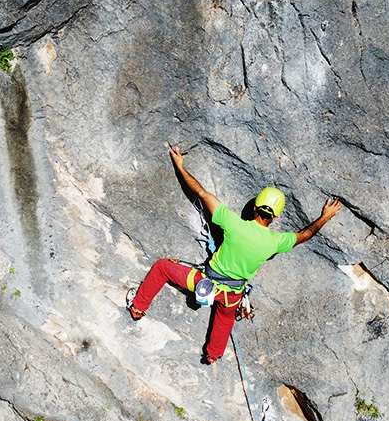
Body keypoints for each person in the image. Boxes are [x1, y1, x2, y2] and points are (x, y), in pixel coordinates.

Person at [129, 146, 342, 363]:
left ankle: (138, 308)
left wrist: (181, 166)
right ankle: (213, 354)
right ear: (276, 217)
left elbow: (201, 192)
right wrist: (326, 216)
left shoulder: (232, 223)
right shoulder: (276, 242)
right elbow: (306, 234)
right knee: (224, 318)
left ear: (254, 209)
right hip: (232, 295)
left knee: (163, 267)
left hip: (204, 281)